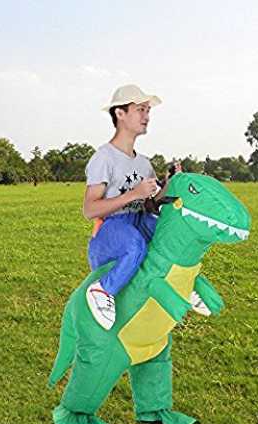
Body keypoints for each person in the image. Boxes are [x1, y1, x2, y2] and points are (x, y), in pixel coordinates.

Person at [83, 84, 181, 330]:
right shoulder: (104, 157)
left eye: (148, 110)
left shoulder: (144, 163)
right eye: (140, 110)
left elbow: (150, 205)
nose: (147, 116)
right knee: (135, 245)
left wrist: (169, 184)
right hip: (110, 230)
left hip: (137, 220)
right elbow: (90, 210)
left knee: (167, 232)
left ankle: (181, 282)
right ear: (120, 113)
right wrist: (133, 194)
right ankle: (103, 290)